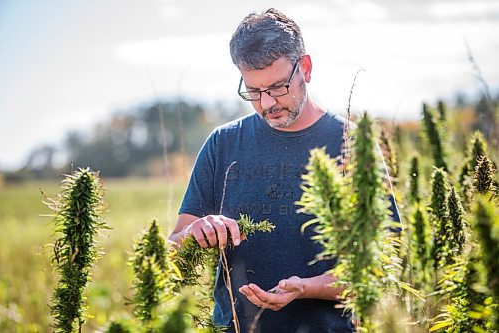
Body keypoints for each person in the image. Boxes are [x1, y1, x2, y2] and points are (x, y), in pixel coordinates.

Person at [168, 8, 399, 333]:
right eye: (253, 91)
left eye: (277, 87)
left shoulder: (351, 143)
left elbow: (383, 265)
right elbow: (171, 250)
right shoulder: (222, 143)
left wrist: (307, 287)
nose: (266, 104)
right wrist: (194, 234)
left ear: (304, 68)